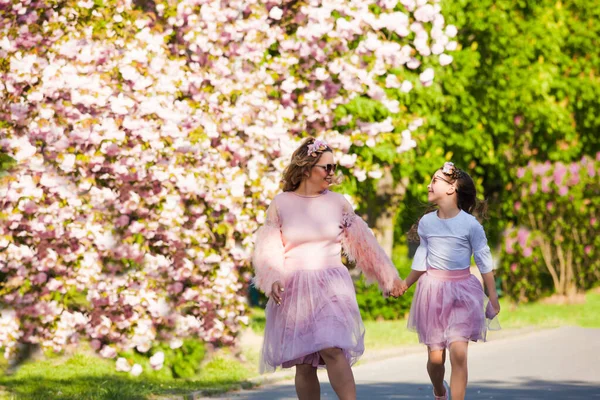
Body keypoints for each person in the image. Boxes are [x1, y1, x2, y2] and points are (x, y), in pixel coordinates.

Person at [252, 137, 405, 400]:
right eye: (327, 167)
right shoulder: (281, 202)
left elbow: (365, 245)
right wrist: (273, 279)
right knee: (303, 363)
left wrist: (388, 278)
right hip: (295, 288)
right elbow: (269, 248)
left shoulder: (339, 203)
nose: (332, 174)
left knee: (332, 348)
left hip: (331, 285)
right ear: (306, 167)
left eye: (334, 167)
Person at [402, 162, 501, 400]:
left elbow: (484, 261)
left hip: (462, 293)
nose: (429, 184)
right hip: (433, 291)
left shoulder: (470, 224)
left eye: (435, 180)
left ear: (452, 188)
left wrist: (493, 298)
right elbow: (422, 257)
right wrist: (404, 284)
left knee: (459, 354)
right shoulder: (427, 223)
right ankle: (439, 390)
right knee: (436, 360)